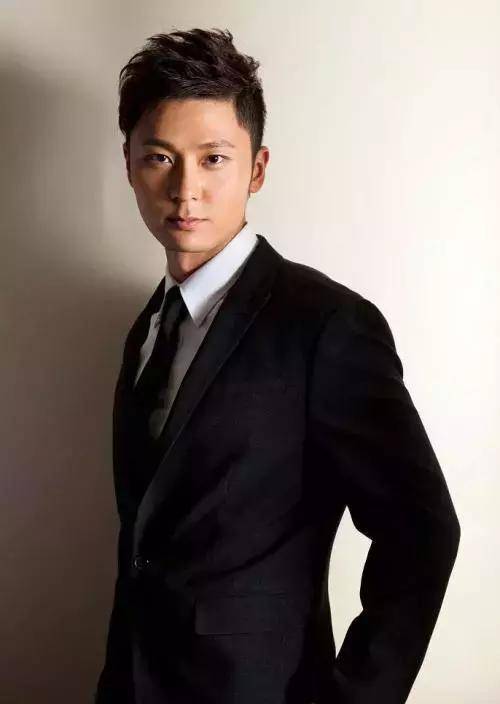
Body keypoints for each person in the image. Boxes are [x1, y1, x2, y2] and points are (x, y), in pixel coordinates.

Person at [94, 27, 460, 704]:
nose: (185, 189)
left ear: (256, 169)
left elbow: (422, 530)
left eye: (213, 159)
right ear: (129, 165)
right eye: (161, 158)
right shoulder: (147, 327)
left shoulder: (325, 325)